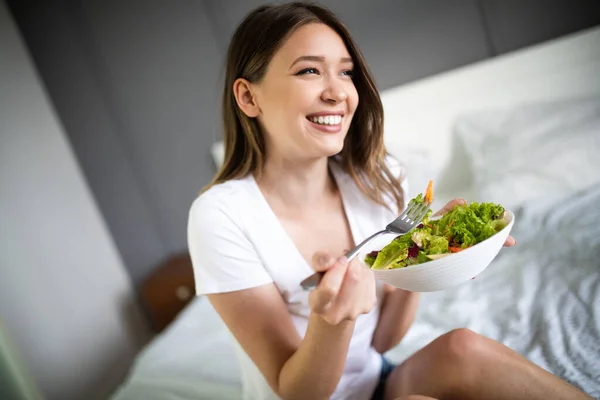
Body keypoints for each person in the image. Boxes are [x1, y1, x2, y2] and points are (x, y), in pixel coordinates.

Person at [187, 3, 593, 400]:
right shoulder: (221, 217)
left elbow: (381, 341)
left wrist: (424, 256)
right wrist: (332, 321)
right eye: (309, 70)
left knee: (463, 348)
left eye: (345, 72)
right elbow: (297, 390)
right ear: (248, 98)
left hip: (377, 382)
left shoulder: (377, 178)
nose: (338, 92)